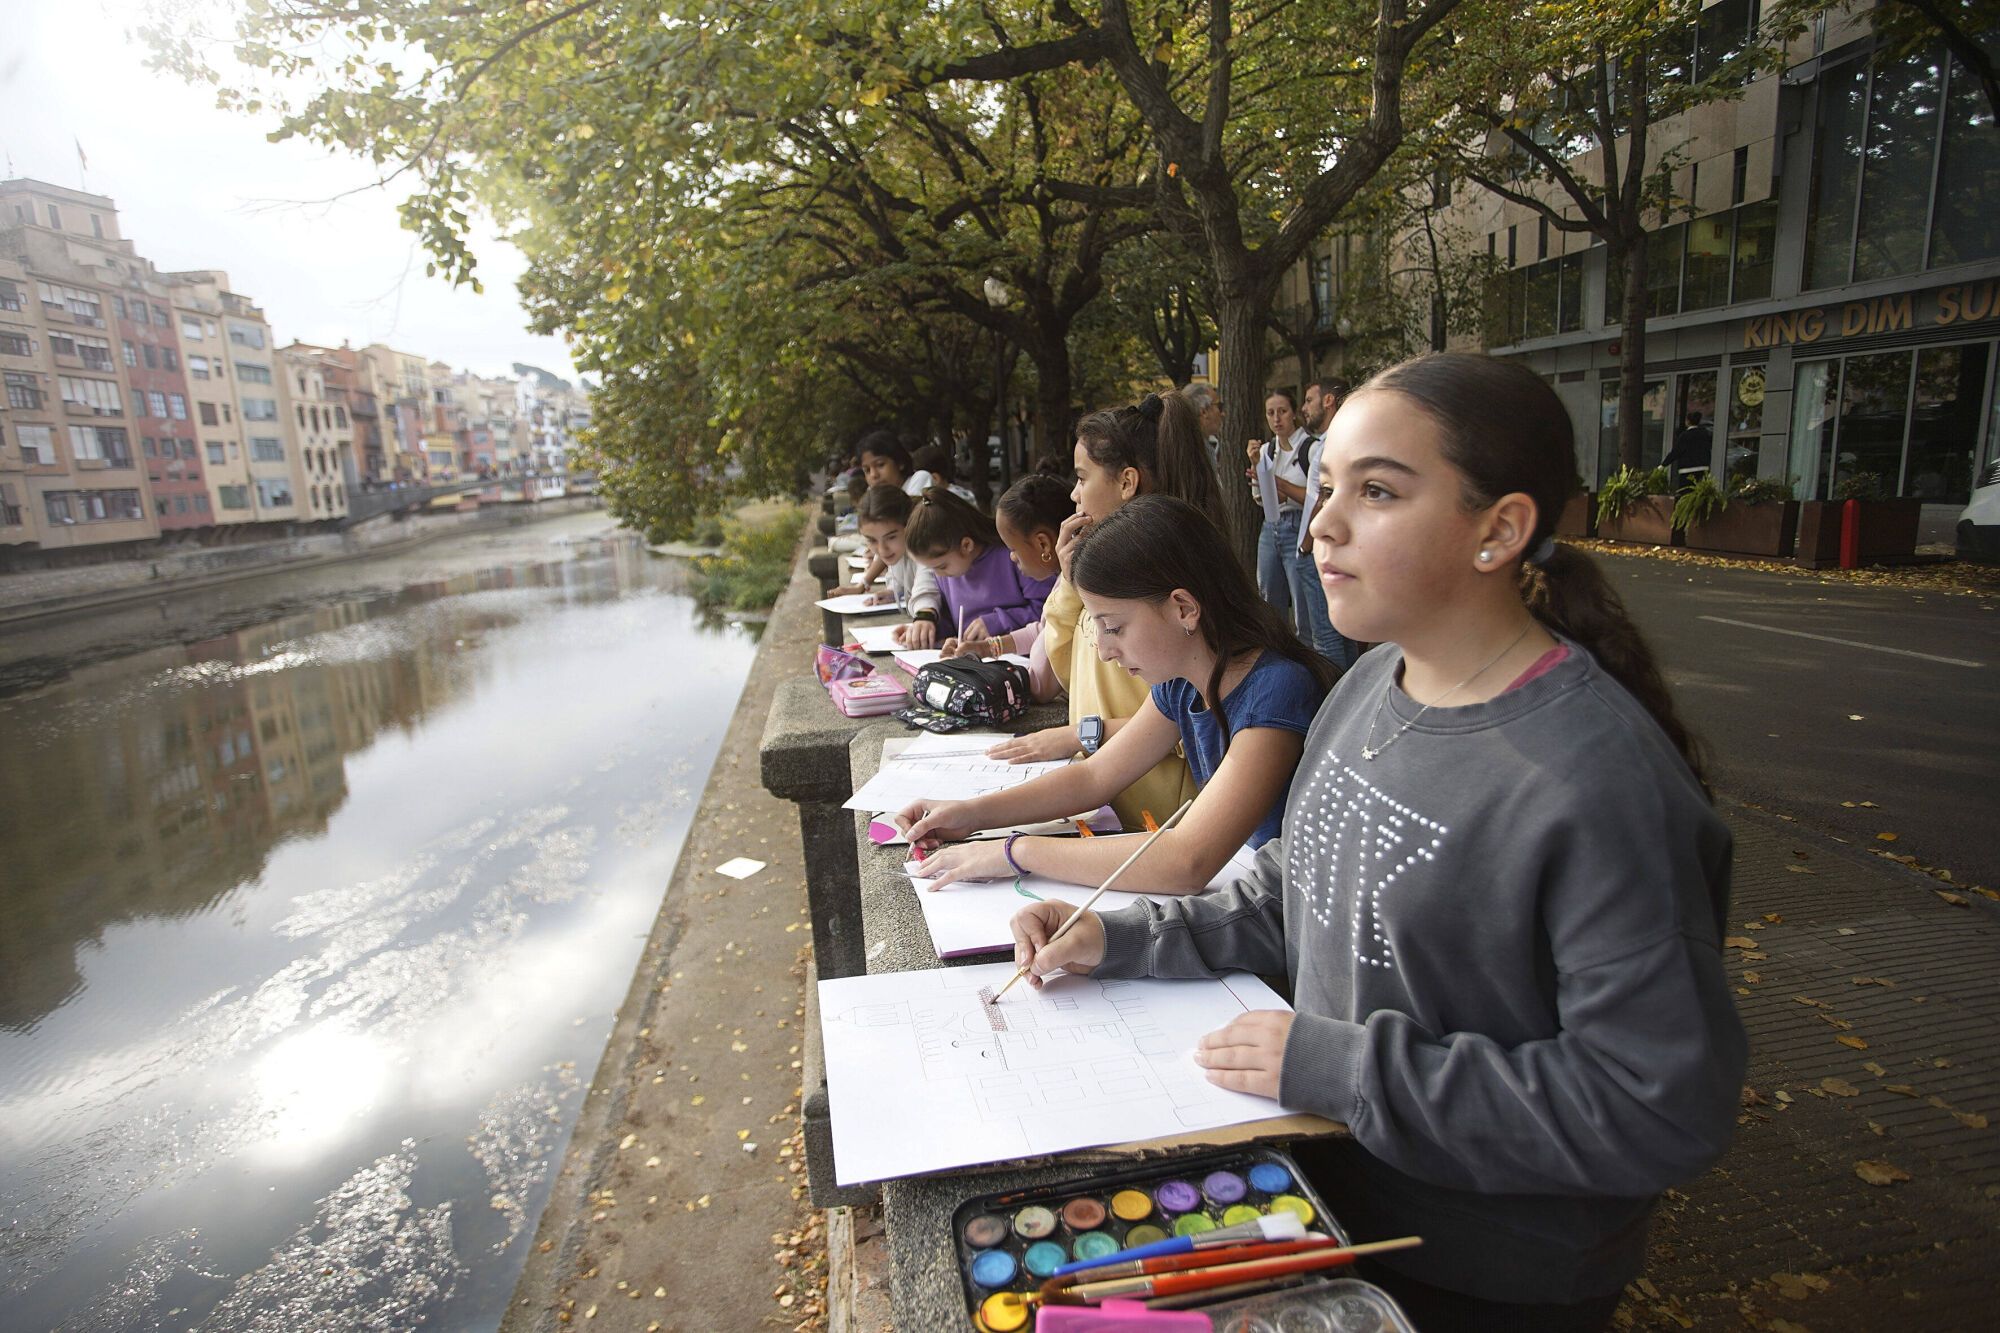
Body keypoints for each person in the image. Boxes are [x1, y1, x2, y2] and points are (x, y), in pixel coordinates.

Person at [1007, 352, 1746, 1332]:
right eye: (1322, 489)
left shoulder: (1595, 786)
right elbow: (1290, 889)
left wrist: (1339, 1066)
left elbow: (1656, 1105)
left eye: (1377, 491)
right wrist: (1123, 935)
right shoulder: (1368, 686)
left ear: (1500, 528)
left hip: (1486, 1274)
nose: (1320, 525)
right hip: (1319, 1200)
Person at [899, 495, 1333, 893]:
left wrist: (1015, 851)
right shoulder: (1180, 684)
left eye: (1115, 626)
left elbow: (1188, 861)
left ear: (1183, 608)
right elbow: (1093, 777)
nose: (1104, 651)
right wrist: (969, 814)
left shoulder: (1277, 690)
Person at [990, 392, 1228, 831]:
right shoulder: (1102, 573)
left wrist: (1080, 734)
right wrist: (1068, 580)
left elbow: (1185, 712)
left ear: (1127, 483)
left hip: (1165, 811)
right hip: (1113, 799)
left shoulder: (1167, 579)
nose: (1075, 494)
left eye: (1082, 478)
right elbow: (1064, 671)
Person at [942, 469, 1071, 703]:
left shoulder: (1071, 592)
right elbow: (1043, 631)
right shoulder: (1064, 583)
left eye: (1013, 548)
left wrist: (975, 675)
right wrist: (986, 648)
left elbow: (1040, 686)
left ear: (1043, 543)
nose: (1011, 557)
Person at [903, 487, 1054, 642]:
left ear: (966, 545)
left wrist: (997, 622)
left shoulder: (1014, 556)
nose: (938, 574)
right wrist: (928, 630)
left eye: (941, 566)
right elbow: (954, 622)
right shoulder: (949, 568)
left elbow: (1048, 610)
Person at [1290, 377, 1359, 670]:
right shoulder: (1329, 442)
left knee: (1326, 638)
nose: (1304, 408)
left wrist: (1307, 542)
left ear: (1328, 401)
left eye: (1309, 400)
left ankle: (1335, 707)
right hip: (1314, 547)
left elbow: (1321, 498)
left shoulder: (1334, 443)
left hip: (1316, 548)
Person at [847, 484, 943, 649]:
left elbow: (927, 580)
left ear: (909, 525)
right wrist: (894, 591)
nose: (882, 549)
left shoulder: (924, 543)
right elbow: (897, 573)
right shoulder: (898, 551)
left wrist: (924, 614)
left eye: (891, 537)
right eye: (872, 540)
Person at [1246, 389, 1311, 625]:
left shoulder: (1308, 448)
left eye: (1282, 412)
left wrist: (1281, 488)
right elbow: (1259, 498)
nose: (1276, 419)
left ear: (1293, 413)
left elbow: (1315, 495)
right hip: (1271, 525)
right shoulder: (1265, 450)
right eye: (1270, 413)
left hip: (1298, 525)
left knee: (1302, 599)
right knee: (1269, 597)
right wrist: (1256, 471)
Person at [1665, 410, 1713, 485]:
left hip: (1687, 469)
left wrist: (1663, 464)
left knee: (1686, 491)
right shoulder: (1705, 434)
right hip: (1703, 467)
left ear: (1688, 421)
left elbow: (1676, 452)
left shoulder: (1685, 436)